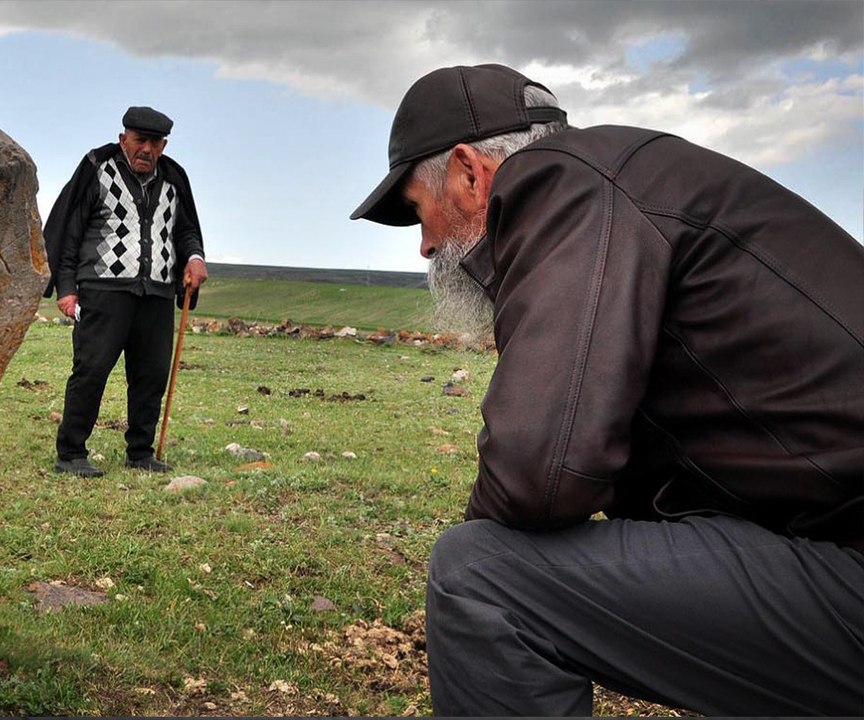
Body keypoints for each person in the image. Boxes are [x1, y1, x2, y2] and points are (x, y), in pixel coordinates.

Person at [351, 63, 864, 716]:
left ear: (468, 172)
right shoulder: (626, 175)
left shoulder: (561, 182)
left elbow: (541, 470)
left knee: (478, 577)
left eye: (418, 213)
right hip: (834, 545)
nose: (424, 247)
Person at [43, 106, 208, 477]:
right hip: (103, 290)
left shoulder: (174, 179)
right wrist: (67, 288)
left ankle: (140, 452)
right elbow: (69, 230)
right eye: (139, 141)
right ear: (123, 140)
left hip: (158, 294)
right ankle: (70, 453)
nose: (146, 149)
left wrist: (195, 256)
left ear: (163, 146)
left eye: (155, 143)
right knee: (91, 370)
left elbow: (185, 231)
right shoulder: (97, 168)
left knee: (151, 374)